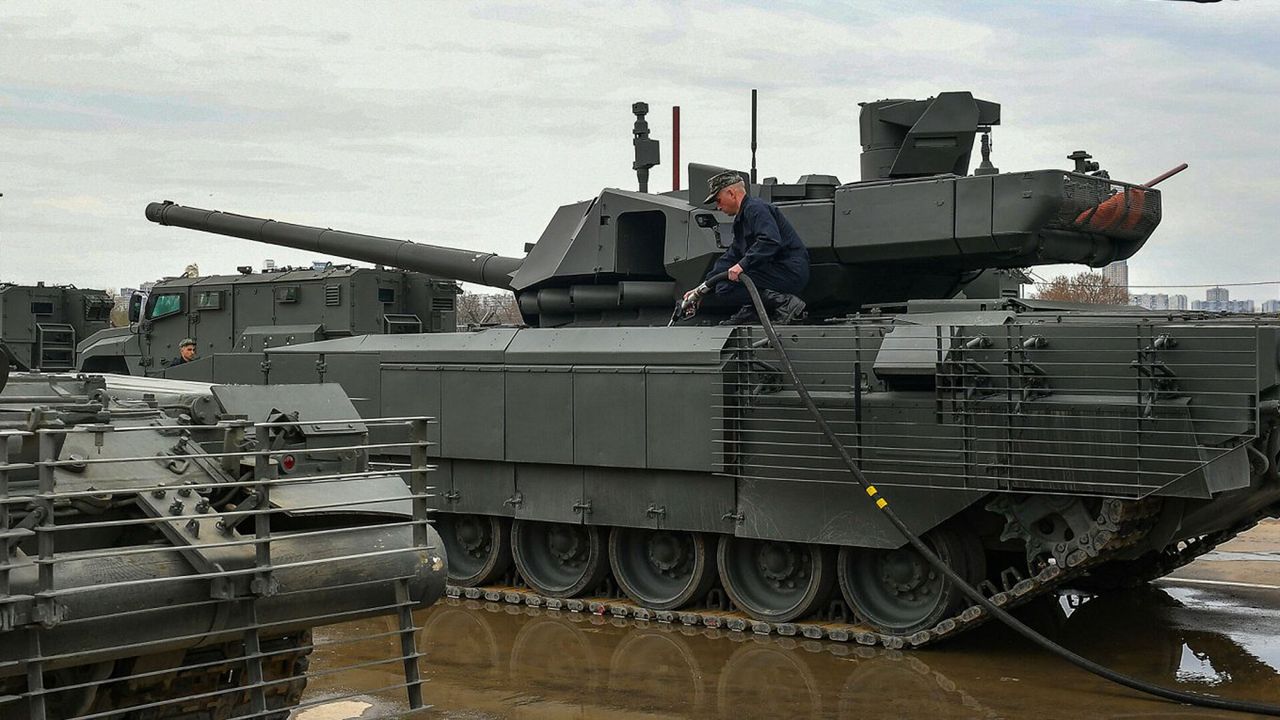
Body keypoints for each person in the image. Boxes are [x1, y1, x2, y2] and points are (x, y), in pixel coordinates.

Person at [687, 171, 810, 325]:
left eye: (718, 200)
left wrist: (741, 266)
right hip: (775, 271)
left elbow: (770, 241)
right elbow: (730, 258)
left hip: (788, 271)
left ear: (731, 193)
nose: (718, 207)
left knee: (726, 288)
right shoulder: (743, 219)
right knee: (722, 285)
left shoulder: (756, 209)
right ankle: (756, 310)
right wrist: (702, 289)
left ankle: (785, 303)